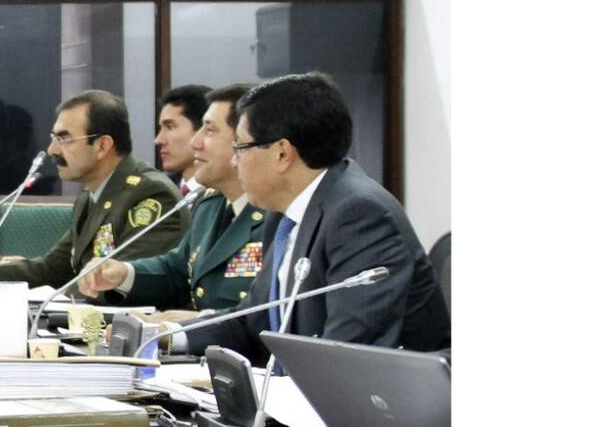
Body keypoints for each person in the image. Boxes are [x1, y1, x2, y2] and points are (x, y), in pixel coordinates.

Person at [180, 72, 451, 366]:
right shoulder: (285, 215)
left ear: (283, 153)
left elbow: (345, 352)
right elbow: (252, 319)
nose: (235, 161)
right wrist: (166, 336)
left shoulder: (359, 215)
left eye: (240, 148)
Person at [0, 90, 189, 303]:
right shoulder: (90, 196)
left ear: (102, 146)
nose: (52, 150)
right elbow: (53, 269)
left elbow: (116, 284)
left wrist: (56, 297)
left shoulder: (151, 195)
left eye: (64, 139)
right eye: (53, 138)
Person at [79, 83, 265, 312]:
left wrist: (194, 323)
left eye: (209, 130)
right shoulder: (210, 204)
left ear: (243, 139)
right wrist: (122, 274)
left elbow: (264, 314)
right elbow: (176, 271)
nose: (195, 142)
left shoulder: (274, 214)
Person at [155, 85, 211, 195]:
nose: (158, 140)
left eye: (170, 127)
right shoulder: (156, 191)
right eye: (160, 129)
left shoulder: (225, 194)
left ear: (202, 129)